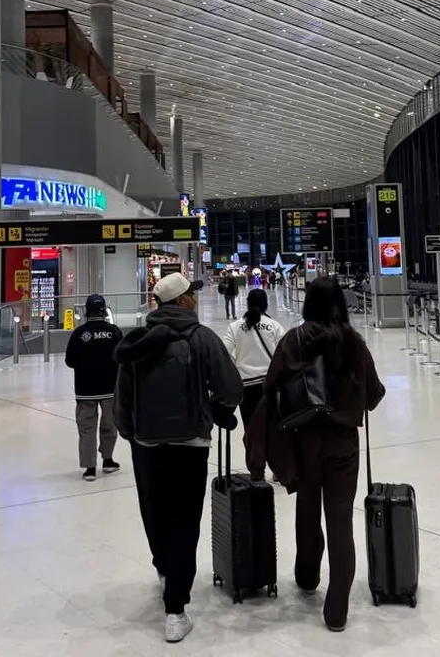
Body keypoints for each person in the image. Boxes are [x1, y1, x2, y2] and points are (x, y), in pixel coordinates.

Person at [246, 276, 385, 633]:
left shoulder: (294, 339)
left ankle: (307, 576)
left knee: (307, 512)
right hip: (342, 445)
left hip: (303, 442)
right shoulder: (353, 344)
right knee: (340, 523)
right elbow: (373, 395)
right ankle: (336, 610)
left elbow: (271, 385)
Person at [113, 272, 243, 643]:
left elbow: (122, 394)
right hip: (190, 444)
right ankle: (175, 610)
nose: (196, 300)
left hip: (147, 443)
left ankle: (165, 569)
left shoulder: (137, 341)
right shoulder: (202, 339)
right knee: (186, 519)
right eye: (192, 295)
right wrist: (216, 409)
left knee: (154, 511)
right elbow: (231, 388)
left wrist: (130, 433)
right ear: (182, 302)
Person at [65, 294, 123, 481]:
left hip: (85, 390)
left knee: (87, 429)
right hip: (109, 388)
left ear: (86, 312)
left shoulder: (79, 334)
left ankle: (90, 468)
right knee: (109, 426)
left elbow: (70, 361)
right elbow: (122, 357)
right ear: (104, 310)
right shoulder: (113, 332)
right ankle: (108, 460)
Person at [223, 288, 284, 431]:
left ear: (248, 304)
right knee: (272, 431)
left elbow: (224, 353)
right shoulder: (275, 326)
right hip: (270, 386)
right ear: (266, 304)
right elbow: (283, 355)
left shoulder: (235, 327)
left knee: (251, 430)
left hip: (246, 387)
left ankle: (251, 452)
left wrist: (236, 369)